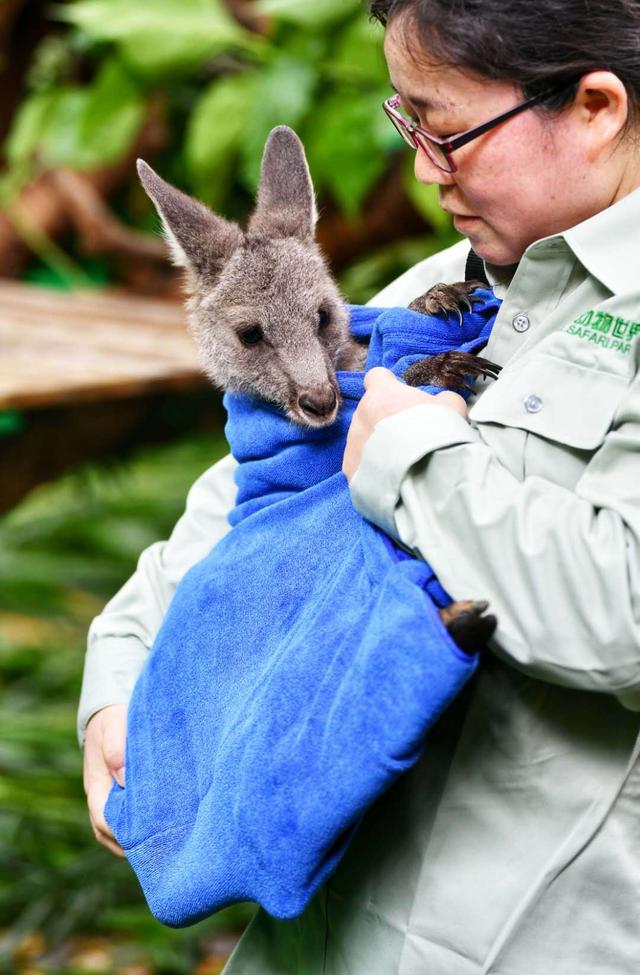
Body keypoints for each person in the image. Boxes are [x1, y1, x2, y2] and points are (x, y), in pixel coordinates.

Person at [79, 0, 640, 970]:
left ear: (594, 107)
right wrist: (116, 685)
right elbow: (248, 508)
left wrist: (416, 462)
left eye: (447, 129)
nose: (424, 169)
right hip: (311, 937)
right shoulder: (444, 280)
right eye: (406, 122)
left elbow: (623, 610)